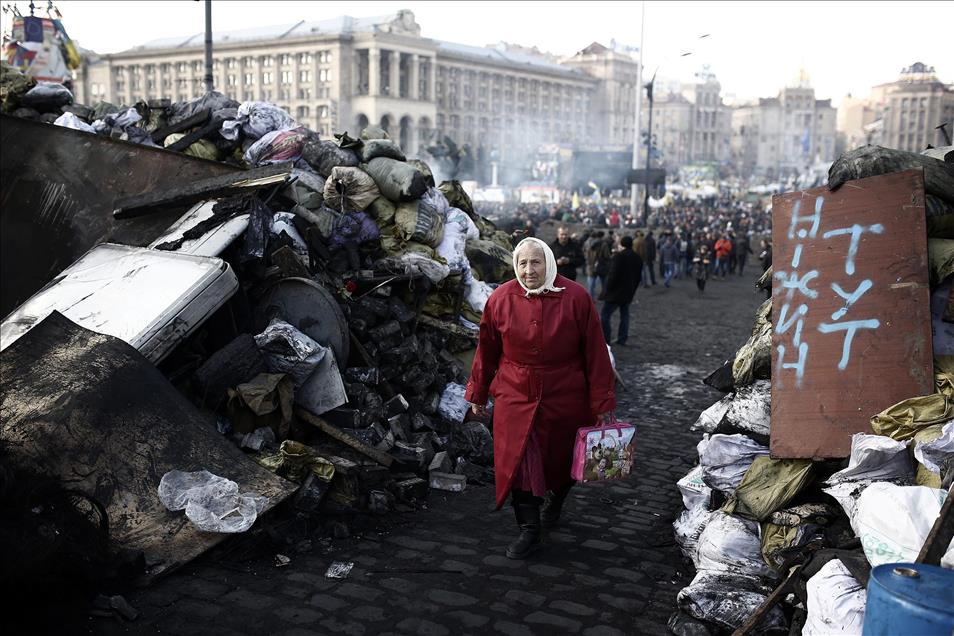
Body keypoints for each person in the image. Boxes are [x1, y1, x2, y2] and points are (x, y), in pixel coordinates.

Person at [465, 237, 616, 560]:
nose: (529, 270)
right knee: (519, 461)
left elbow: (595, 354)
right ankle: (529, 529)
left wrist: (602, 402)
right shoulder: (501, 299)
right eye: (522, 263)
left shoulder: (577, 298)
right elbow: (487, 351)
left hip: (566, 395)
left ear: (549, 262)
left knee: (562, 461)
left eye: (536, 262)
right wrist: (478, 392)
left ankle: (557, 498)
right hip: (514, 393)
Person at [600, 234, 643, 346]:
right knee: (625, 315)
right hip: (628, 292)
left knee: (605, 316)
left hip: (615, 292)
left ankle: (606, 339)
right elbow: (638, 277)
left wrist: (606, 289)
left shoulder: (619, 257)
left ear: (621, 244)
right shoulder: (637, 258)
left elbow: (613, 275)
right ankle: (622, 338)